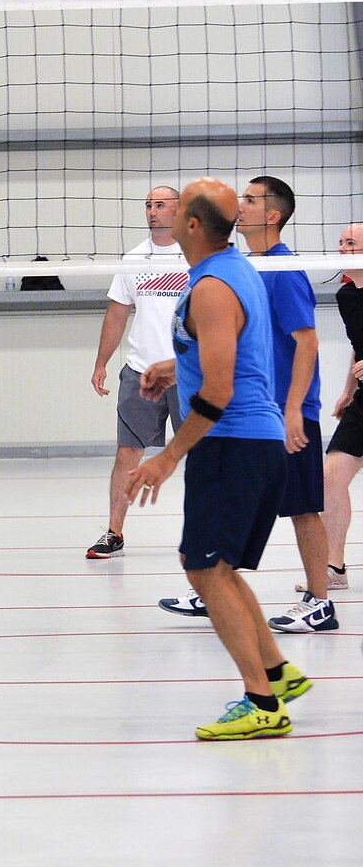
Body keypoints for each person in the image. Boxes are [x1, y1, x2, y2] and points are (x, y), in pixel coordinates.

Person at [128, 178, 313, 739]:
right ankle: (277, 673)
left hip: (232, 444)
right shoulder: (231, 271)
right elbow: (222, 351)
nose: (165, 212)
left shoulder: (211, 286)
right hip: (250, 446)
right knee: (217, 569)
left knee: (204, 568)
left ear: (190, 225)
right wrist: (170, 363)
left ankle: (262, 703)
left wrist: (167, 457)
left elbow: (220, 390)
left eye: (176, 206)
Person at [159, 175, 336, 632]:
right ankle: (214, 586)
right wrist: (174, 365)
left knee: (303, 507)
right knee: (232, 512)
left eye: (252, 199)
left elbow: (308, 341)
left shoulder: (283, 268)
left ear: (272, 215)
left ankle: (319, 600)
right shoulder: (245, 265)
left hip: (282, 412)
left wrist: (295, 407)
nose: (241, 204)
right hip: (257, 409)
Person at [86, 185, 186, 558]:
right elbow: (117, 313)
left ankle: (206, 534)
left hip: (186, 373)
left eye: (160, 204)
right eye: (148, 205)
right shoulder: (134, 259)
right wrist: (101, 363)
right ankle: (114, 532)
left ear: (180, 210)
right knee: (127, 454)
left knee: (205, 453)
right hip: (140, 372)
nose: (152, 211)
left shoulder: (196, 257)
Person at [319, 221, 363, 596]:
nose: (343, 248)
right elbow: (358, 346)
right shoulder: (347, 296)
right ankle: (334, 567)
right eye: (340, 242)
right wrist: (348, 390)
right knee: (331, 477)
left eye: (351, 243)